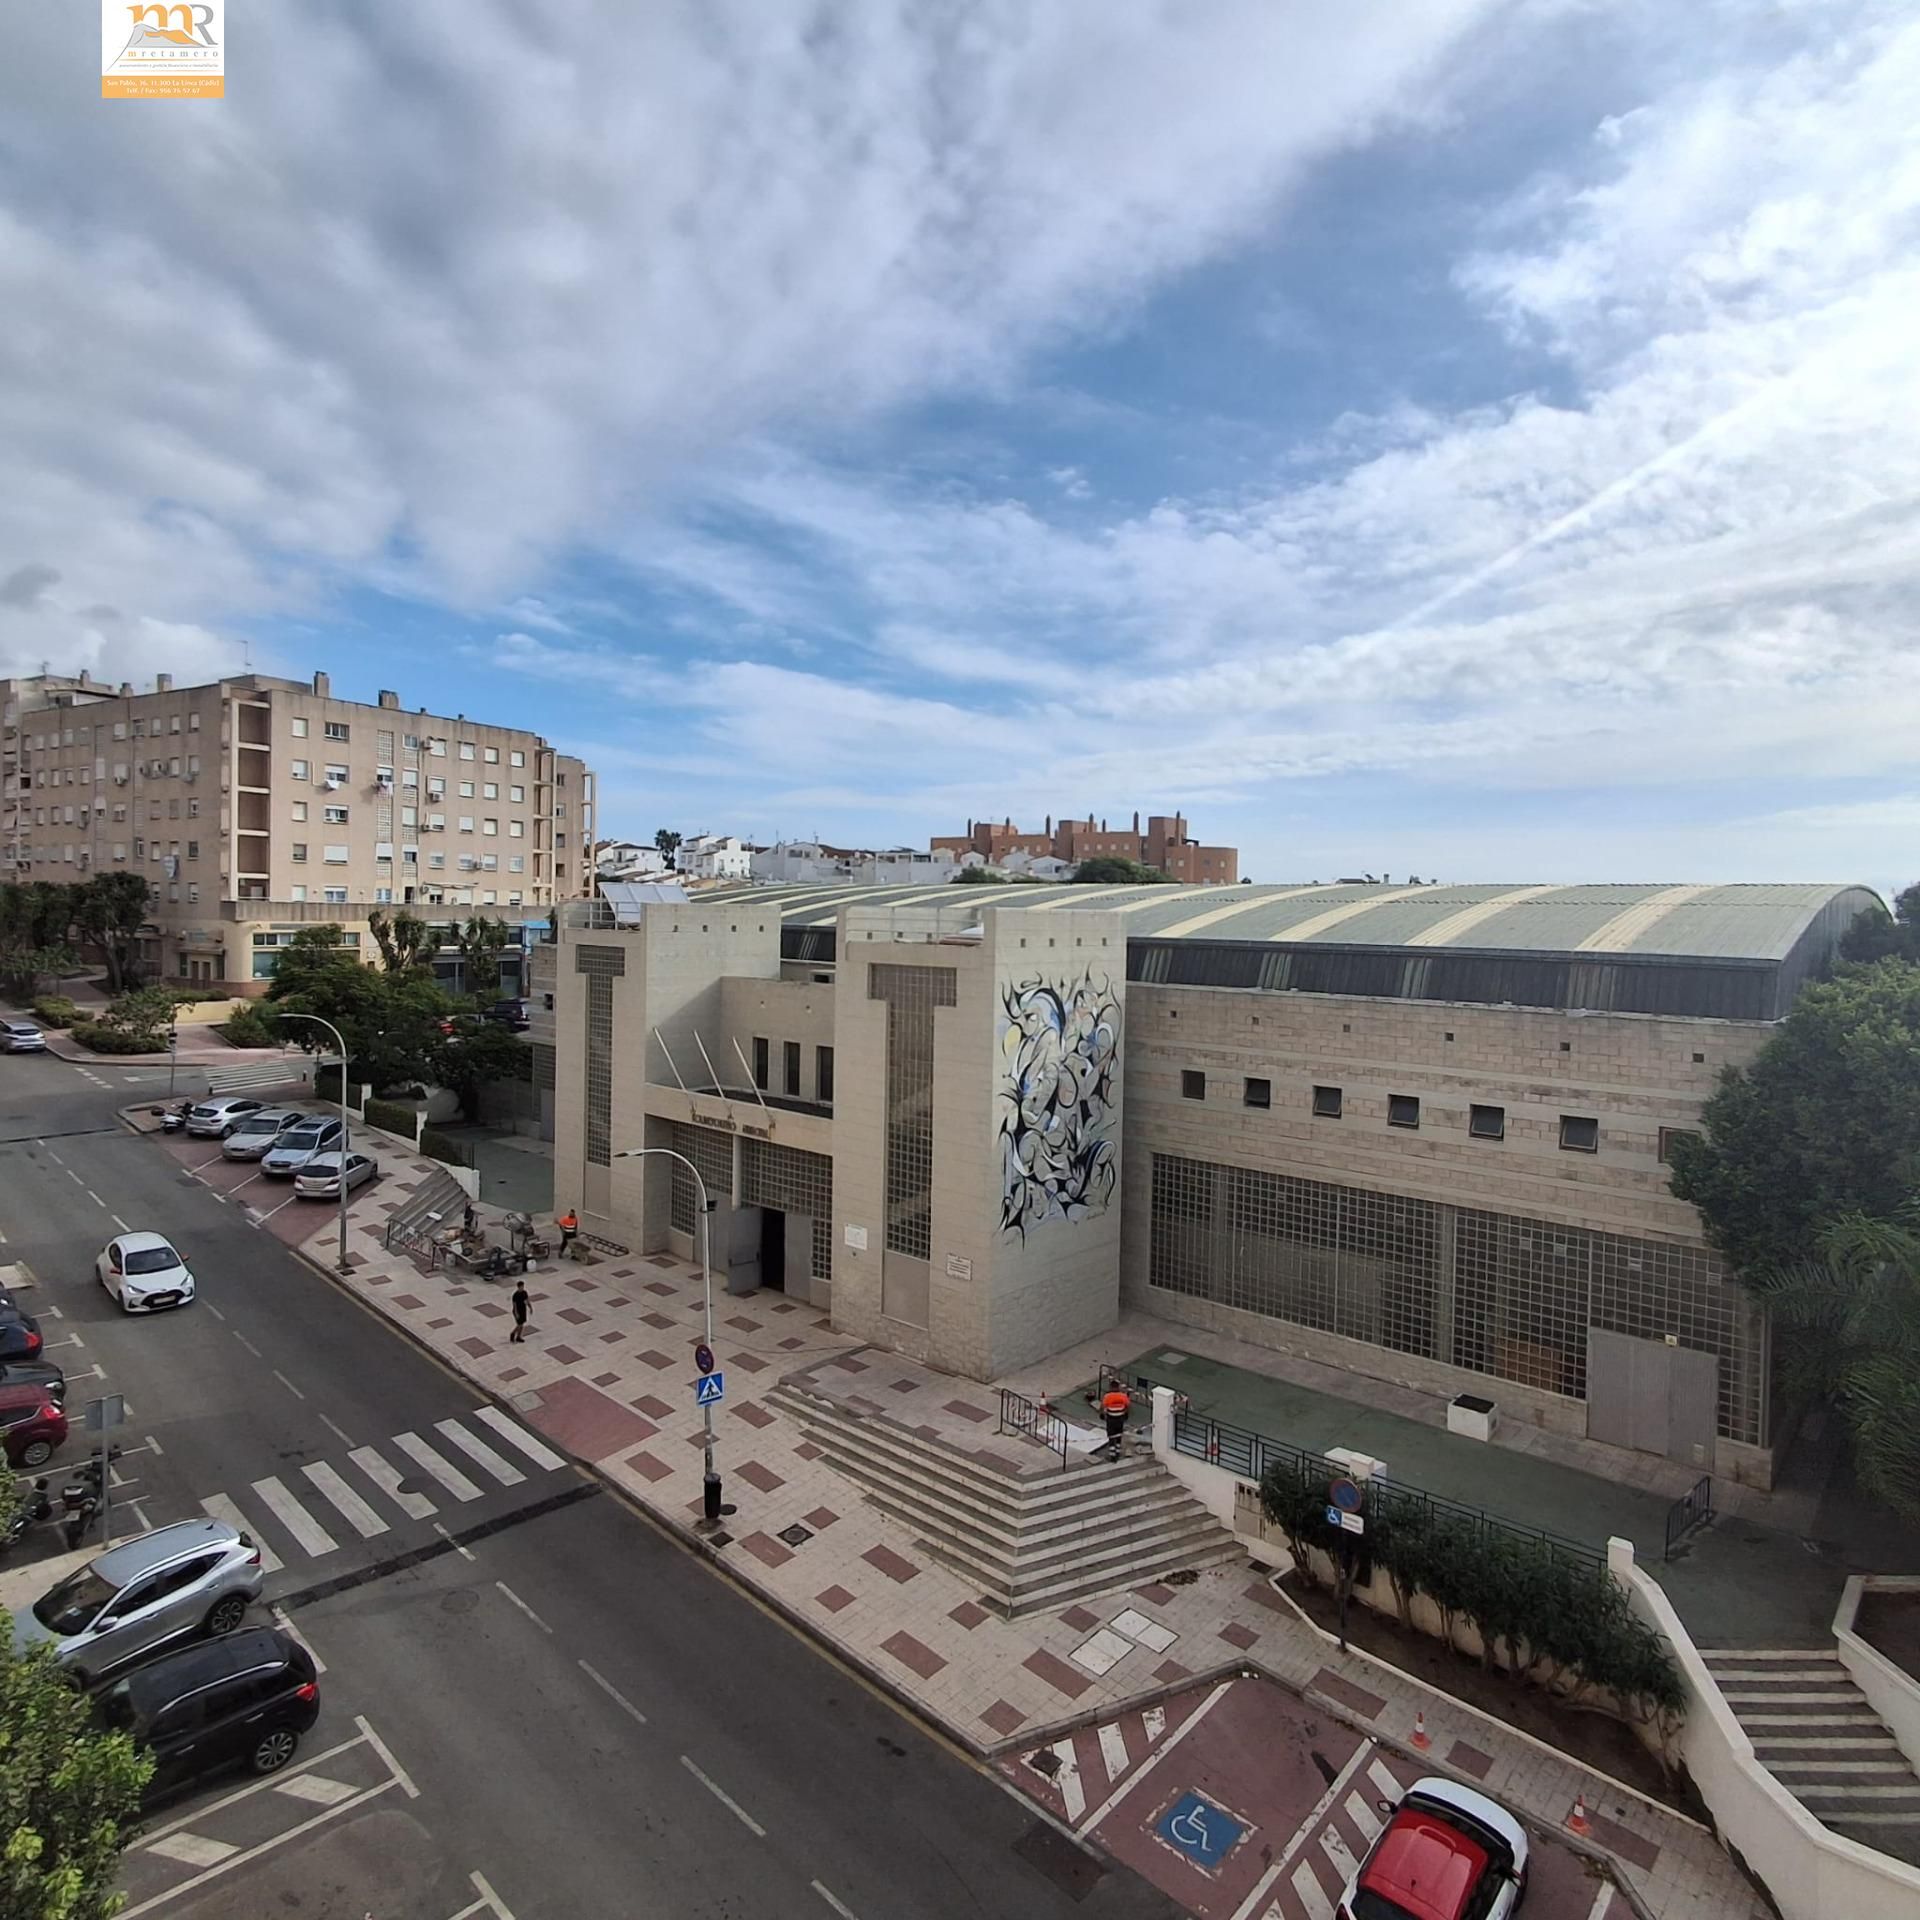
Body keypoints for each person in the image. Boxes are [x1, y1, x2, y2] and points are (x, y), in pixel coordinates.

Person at [1101, 1385, 1132, 1460]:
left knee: (1111, 1436)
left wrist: (1102, 1415)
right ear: (1118, 1388)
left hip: (1111, 1419)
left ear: (1111, 1388)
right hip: (1120, 1419)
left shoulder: (1107, 1396)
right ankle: (1117, 1452)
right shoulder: (1123, 1396)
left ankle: (1112, 1455)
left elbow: (1103, 1406)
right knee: (1118, 1435)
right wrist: (1125, 1414)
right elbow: (1128, 1405)